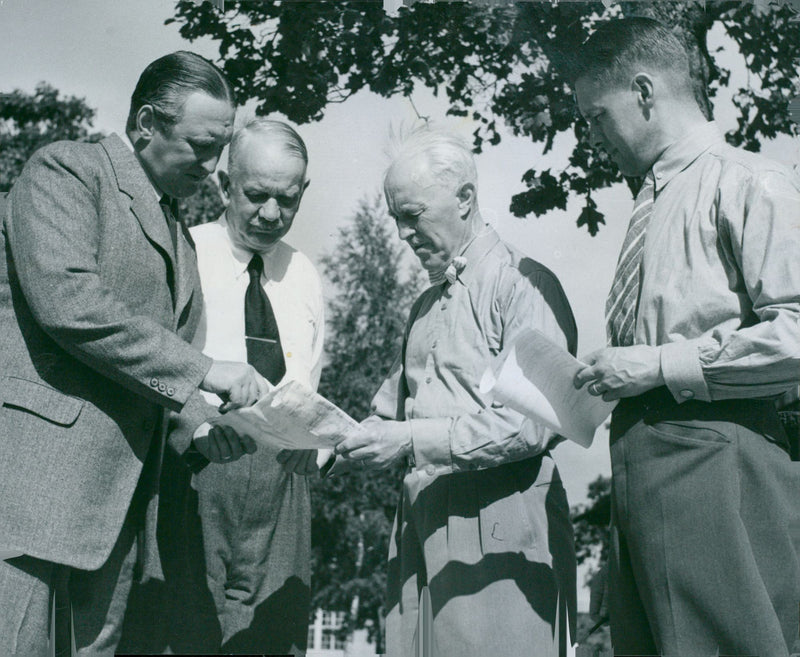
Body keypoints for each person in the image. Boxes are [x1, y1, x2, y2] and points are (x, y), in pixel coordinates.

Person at [0, 51, 266, 656]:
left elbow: (156, 372)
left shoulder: (179, 232)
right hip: (35, 493)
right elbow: (69, 301)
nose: (213, 165)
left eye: (220, 147)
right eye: (201, 145)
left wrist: (201, 428)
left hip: (118, 507)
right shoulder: (66, 171)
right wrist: (204, 371)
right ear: (146, 122)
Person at [571, 18, 800, 657]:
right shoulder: (655, 197)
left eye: (598, 115)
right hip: (641, 465)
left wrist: (659, 365)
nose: (594, 138)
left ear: (644, 92)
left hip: (717, 461)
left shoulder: (749, 181)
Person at [335, 125, 578, 657]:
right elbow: (386, 420)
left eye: (412, 215)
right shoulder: (425, 307)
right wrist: (314, 442)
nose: (402, 233)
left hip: (500, 526)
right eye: (395, 218)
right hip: (419, 523)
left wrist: (409, 440)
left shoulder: (524, 285)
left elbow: (532, 422)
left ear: (465, 197)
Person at [122, 118, 327, 655]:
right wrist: (195, 430)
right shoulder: (187, 250)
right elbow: (151, 366)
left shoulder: (304, 273)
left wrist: (316, 449)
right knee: (179, 631)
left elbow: (308, 384)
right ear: (225, 183)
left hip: (284, 484)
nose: (270, 213)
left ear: (303, 193)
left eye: (287, 199)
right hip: (196, 468)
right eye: (256, 194)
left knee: (272, 637)